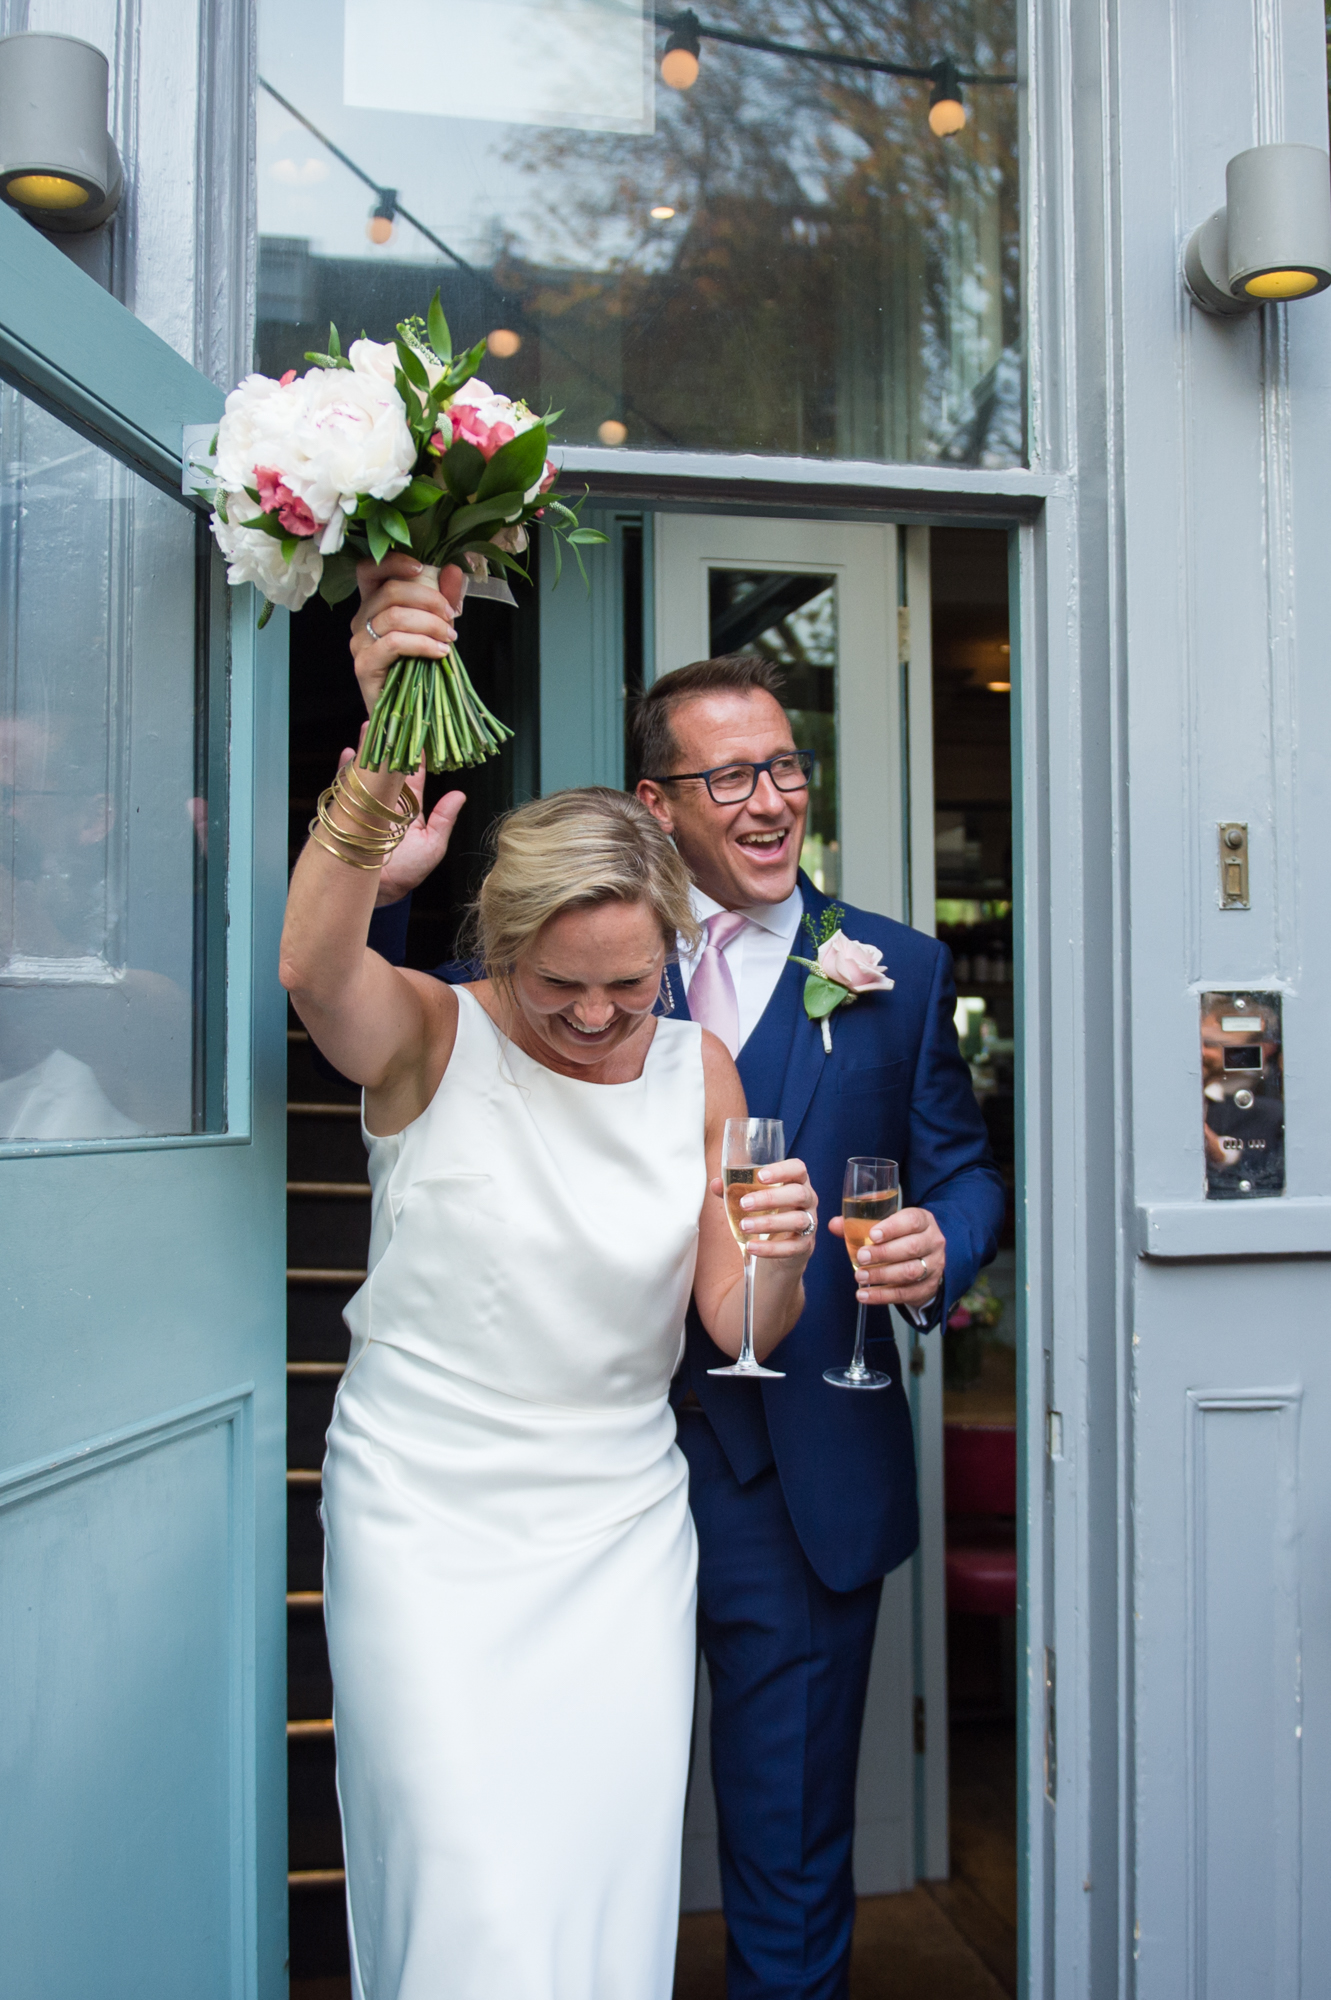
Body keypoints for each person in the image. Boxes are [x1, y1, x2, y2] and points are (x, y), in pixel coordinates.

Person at [353, 560, 1005, 1999]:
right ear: (659, 804)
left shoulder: (884, 966)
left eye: (786, 766)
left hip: (798, 1490)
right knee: (553, 1838)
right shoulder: (567, 950)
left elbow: (964, 1171)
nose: (772, 801)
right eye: (732, 780)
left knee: (785, 1855)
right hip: (578, 1488)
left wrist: (939, 1246)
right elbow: (386, 1009)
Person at [279, 562, 821, 2000]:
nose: (593, 1020)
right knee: (468, 1891)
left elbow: (736, 1321)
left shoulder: (697, 1073)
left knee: (597, 1895)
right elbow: (313, 967)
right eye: (555, 987)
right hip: (427, 1519)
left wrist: (780, 1257)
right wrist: (379, 763)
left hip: (618, 1533)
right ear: (500, 950)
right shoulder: (428, 1040)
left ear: (669, 957)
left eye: (627, 990)